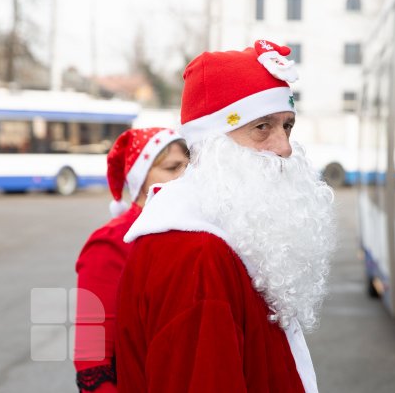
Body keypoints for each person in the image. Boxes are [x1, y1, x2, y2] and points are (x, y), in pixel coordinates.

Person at [115, 40, 335, 393]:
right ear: (214, 142)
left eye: (287, 126)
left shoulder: (224, 233)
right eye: (262, 127)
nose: (284, 147)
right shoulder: (197, 255)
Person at [74, 127, 188, 393]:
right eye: (172, 168)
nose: (184, 177)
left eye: (188, 167)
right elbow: (92, 356)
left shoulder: (194, 231)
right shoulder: (110, 243)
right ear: (140, 181)